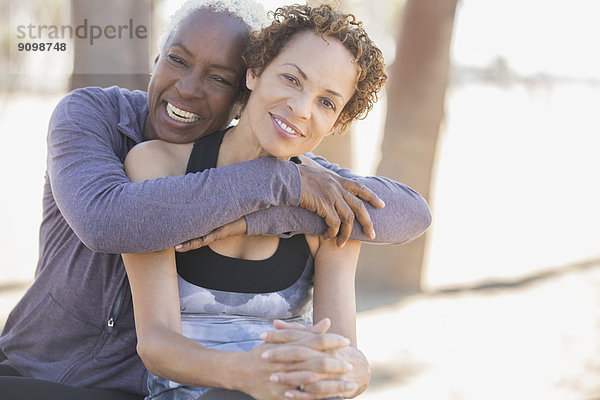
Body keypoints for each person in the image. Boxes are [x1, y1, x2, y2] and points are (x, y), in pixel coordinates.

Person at [0, 0, 430, 399]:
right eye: (177, 59)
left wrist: (353, 370)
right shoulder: (99, 120)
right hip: (41, 372)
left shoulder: (318, 189)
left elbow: (409, 213)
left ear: (240, 90)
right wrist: (280, 182)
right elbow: (106, 222)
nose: (188, 89)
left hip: (135, 388)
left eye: (218, 77)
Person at [122, 3, 386, 399]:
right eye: (291, 79)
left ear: (338, 122)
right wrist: (248, 374)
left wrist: (351, 370)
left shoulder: (331, 203)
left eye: (327, 102)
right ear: (254, 72)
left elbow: (342, 348)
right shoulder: (156, 165)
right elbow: (156, 344)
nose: (301, 108)